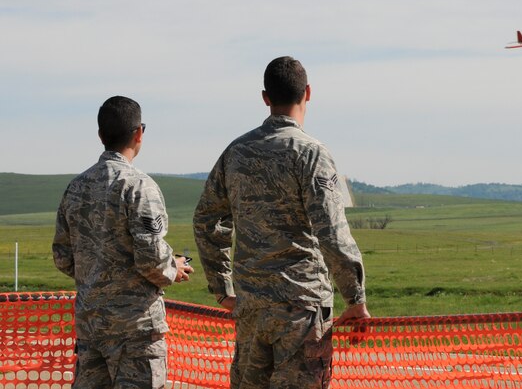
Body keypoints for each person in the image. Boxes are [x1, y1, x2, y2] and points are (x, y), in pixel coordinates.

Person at [194, 56, 370, 389]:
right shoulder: (312, 154)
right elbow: (332, 232)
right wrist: (355, 299)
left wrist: (223, 289)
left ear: (265, 98)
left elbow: (206, 220)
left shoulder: (236, 152)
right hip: (301, 309)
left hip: (251, 310)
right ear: (308, 92)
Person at [52, 95, 194, 389]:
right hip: (136, 331)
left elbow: (63, 257)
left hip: (91, 325)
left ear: (101, 134)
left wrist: (98, 276)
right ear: (139, 132)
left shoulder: (76, 187)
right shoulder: (139, 186)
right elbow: (151, 260)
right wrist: (173, 268)